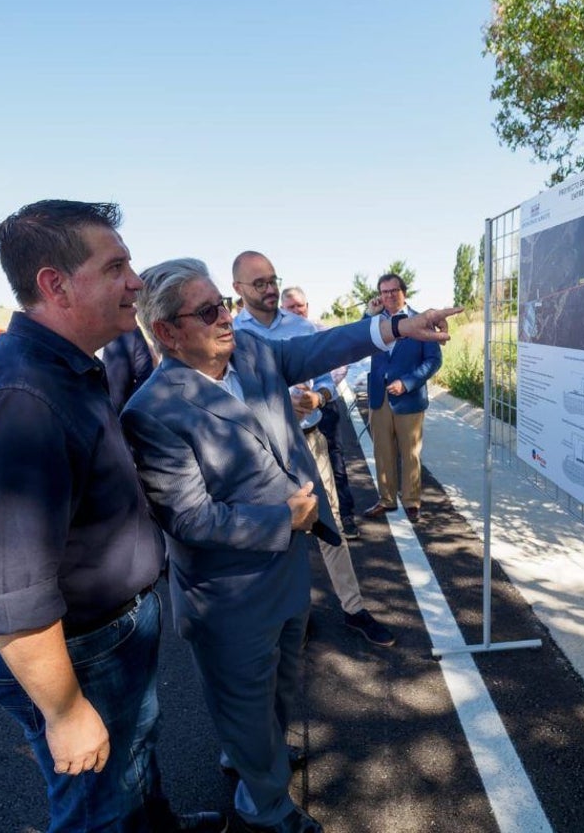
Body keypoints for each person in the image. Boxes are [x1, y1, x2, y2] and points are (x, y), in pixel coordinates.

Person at [120, 258, 459, 833]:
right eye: (207, 311)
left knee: (276, 684)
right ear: (168, 333)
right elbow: (189, 516)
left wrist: (398, 326)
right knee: (244, 696)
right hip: (228, 589)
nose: (226, 317)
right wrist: (283, 518)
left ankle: (254, 756)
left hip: (284, 567)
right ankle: (266, 808)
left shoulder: (251, 353)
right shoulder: (152, 411)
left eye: (222, 304)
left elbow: (322, 348)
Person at [0, 201, 223, 833]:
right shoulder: (20, 397)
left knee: (133, 758)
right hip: (78, 648)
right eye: (116, 266)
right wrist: (65, 712)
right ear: (54, 284)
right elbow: (13, 589)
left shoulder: (62, 367)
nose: (136, 282)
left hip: (109, 632)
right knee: (97, 806)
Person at [233, 257, 391, 647]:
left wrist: (318, 397)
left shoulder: (303, 328)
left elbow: (327, 380)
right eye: (259, 284)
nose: (270, 290)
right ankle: (293, 616)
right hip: (264, 450)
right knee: (280, 529)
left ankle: (353, 609)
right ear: (238, 289)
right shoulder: (233, 334)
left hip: (310, 438)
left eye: (273, 281)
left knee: (331, 522)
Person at [362, 272, 442, 524]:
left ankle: (411, 501)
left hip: (409, 398)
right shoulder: (374, 322)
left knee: (410, 453)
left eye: (393, 291)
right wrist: (367, 314)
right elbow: (357, 342)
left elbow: (434, 360)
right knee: (382, 451)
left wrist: (407, 383)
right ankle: (386, 500)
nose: (388, 296)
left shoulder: (421, 321)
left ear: (403, 292)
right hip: (379, 397)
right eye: (383, 292)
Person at [281, 285, 360, 540]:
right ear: (283, 309)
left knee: (336, 464)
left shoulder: (320, 330)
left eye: (299, 306)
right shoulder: (278, 339)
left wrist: (319, 394)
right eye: (290, 307)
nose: (296, 311)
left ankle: (344, 517)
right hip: (289, 422)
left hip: (323, 409)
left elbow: (339, 367)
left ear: (307, 307)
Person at [103, 325, 157, 412]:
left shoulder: (129, 333)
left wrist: (127, 412)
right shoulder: (75, 335)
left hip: (122, 419)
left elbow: (146, 377)